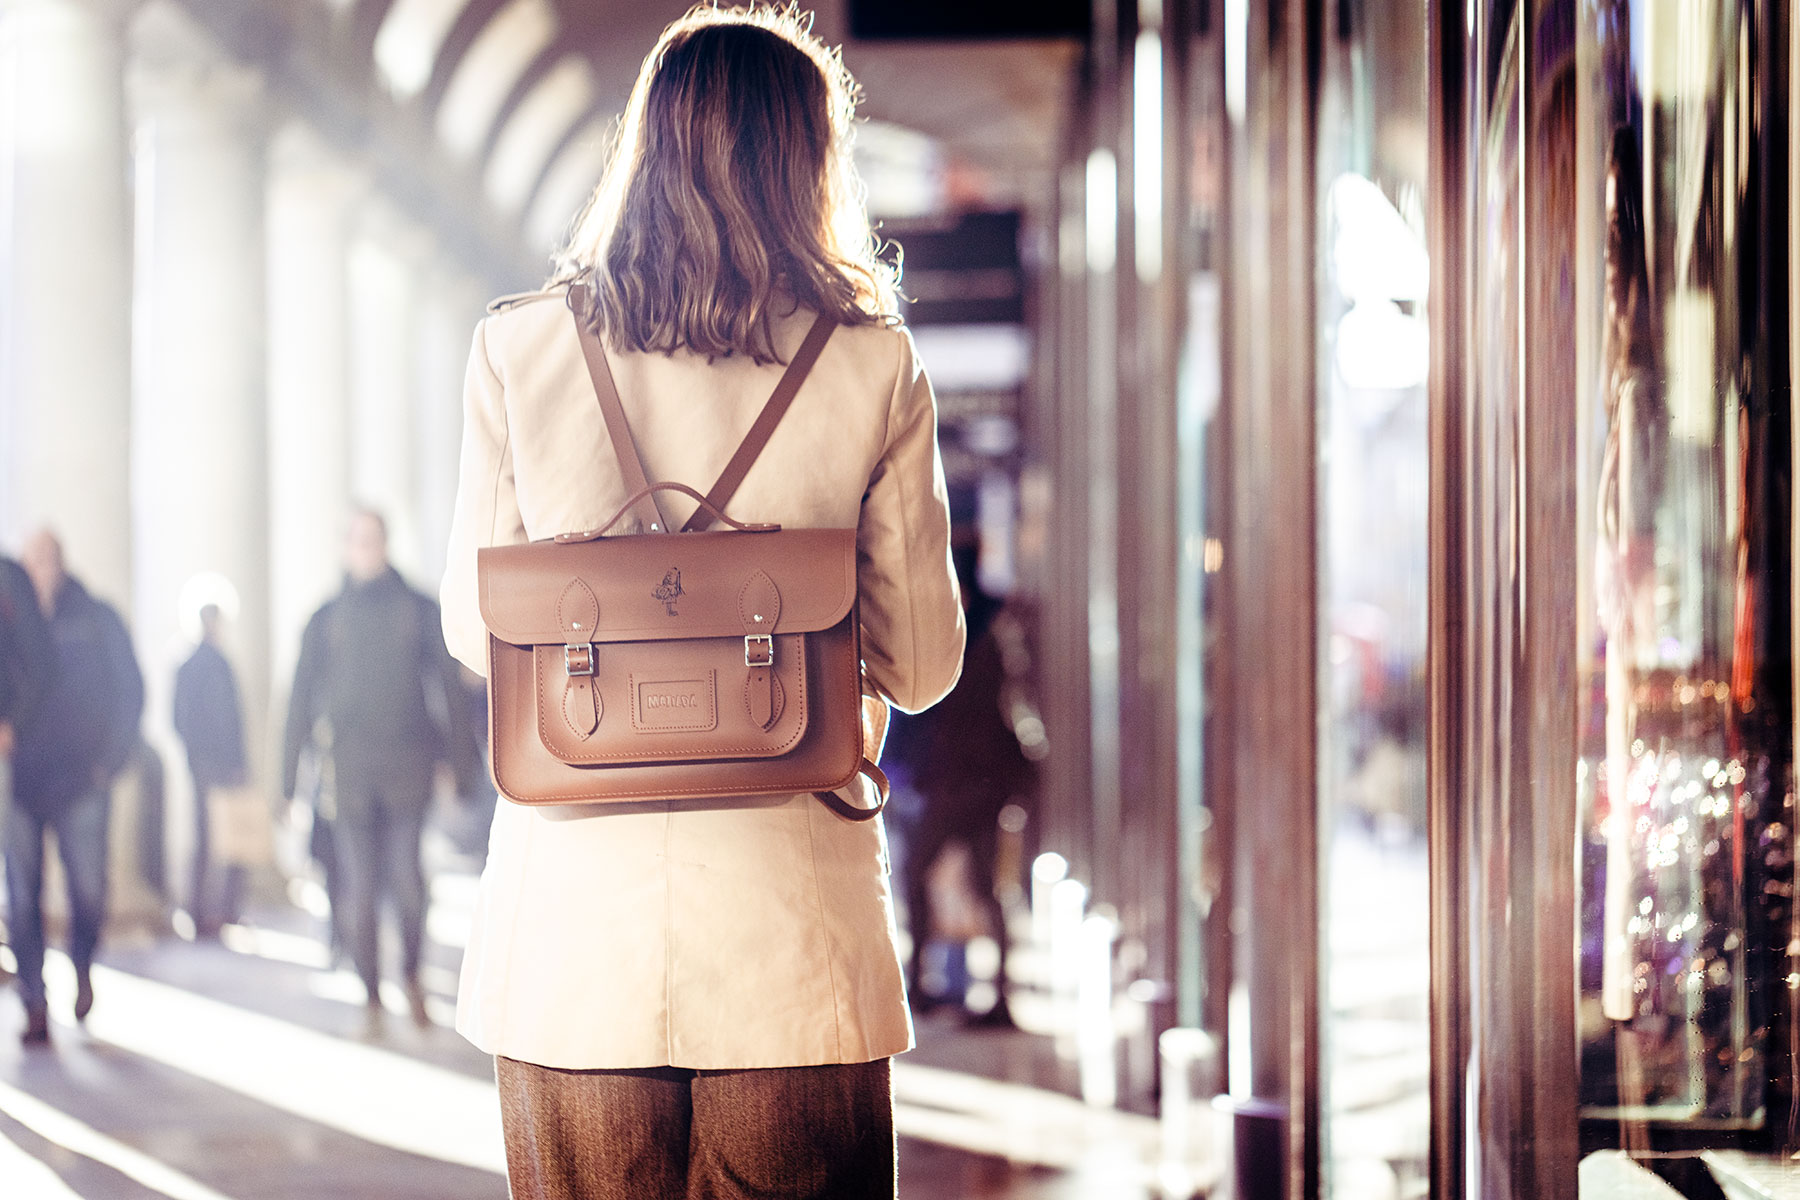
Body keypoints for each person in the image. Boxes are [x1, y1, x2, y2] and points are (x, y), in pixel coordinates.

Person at [439, 9, 965, 1197]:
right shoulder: (872, 364)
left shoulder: (519, 350)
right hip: (793, 934)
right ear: (812, 162)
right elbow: (924, 663)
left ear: (644, 148)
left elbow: (476, 633)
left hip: (573, 940)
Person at [283, 508, 477, 1033]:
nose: (365, 549)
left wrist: (464, 767)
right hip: (349, 774)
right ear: (345, 548)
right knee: (358, 887)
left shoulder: (416, 609)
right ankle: (370, 989)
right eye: (356, 540)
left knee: (408, 883)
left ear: (385, 544)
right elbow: (300, 699)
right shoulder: (325, 619)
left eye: (373, 539)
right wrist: (287, 781)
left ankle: (410, 975)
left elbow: (450, 693)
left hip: (408, 769)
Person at [7, 530, 144, 1044]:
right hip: (20, 780)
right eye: (32, 558)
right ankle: (33, 1000)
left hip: (83, 779)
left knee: (88, 891)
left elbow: (130, 691)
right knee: (22, 898)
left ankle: (83, 965)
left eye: (48, 556)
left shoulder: (96, 617)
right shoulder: (9, 621)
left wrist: (109, 763)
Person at [172, 603, 249, 935]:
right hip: (208, 764)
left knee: (230, 836)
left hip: (221, 763)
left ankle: (223, 909)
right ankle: (201, 912)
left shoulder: (217, 665)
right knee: (208, 838)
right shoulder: (196, 666)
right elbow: (182, 718)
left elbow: (233, 719)